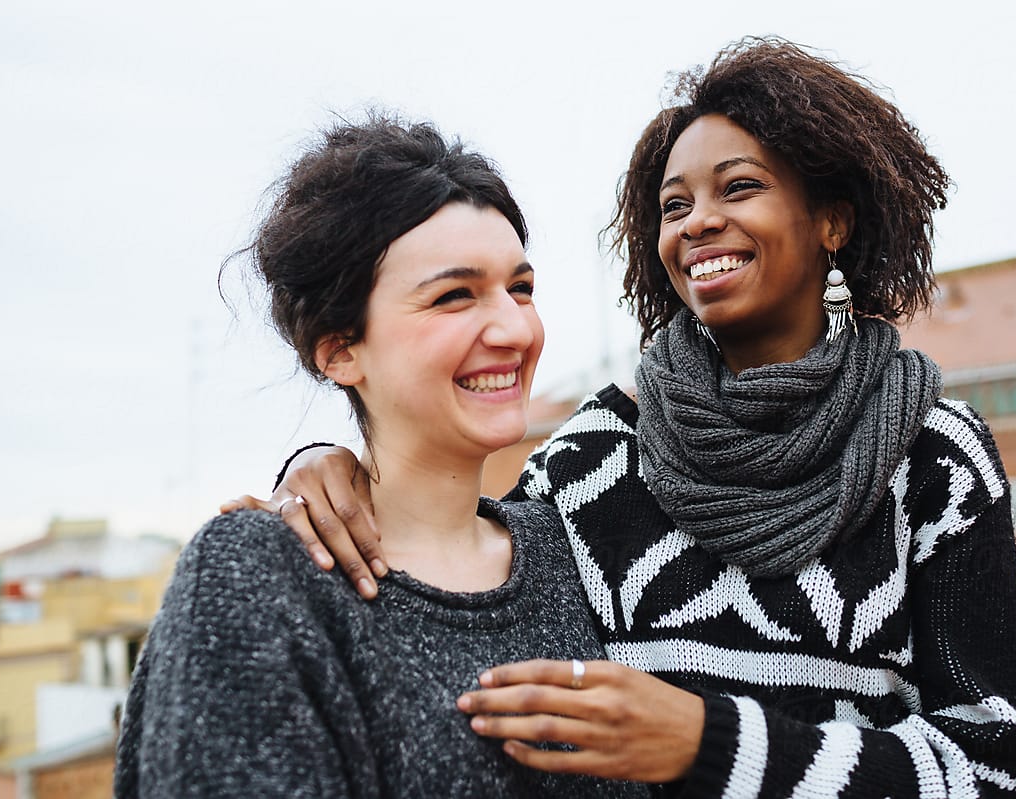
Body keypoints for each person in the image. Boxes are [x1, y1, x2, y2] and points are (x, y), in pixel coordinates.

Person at [241, 38, 1016, 798]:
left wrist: (708, 742)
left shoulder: (936, 460)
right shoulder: (597, 454)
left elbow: (995, 772)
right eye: (673, 205)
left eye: (739, 188)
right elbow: (458, 568)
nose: (697, 223)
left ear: (832, 219)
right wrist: (333, 468)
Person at [113, 114, 649, 798]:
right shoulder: (261, 575)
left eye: (521, 287)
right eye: (454, 296)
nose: (515, 328)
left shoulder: (578, 544)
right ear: (339, 349)